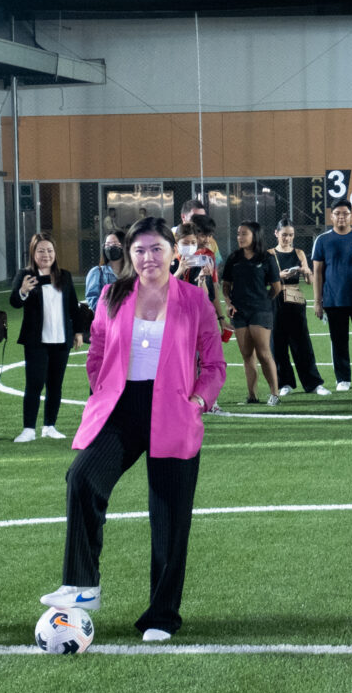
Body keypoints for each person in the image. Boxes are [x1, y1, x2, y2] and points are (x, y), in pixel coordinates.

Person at [40, 217, 227, 642]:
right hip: (121, 410)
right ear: (130, 255)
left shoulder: (194, 300)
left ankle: (162, 616)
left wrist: (198, 400)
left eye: (157, 249)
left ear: (173, 252)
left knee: (169, 517)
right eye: (139, 250)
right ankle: (82, 585)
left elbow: (215, 364)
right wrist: (100, 388)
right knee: (83, 478)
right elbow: (98, 350)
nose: (148, 258)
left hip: (174, 412)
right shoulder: (113, 294)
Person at [11, 232, 80, 442]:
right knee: (34, 383)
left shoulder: (64, 276)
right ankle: (28, 429)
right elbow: (15, 302)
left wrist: (77, 332)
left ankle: (49, 425)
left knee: (55, 384)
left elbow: (73, 306)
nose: (46, 254)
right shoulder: (25, 275)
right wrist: (23, 290)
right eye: (41, 250)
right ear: (33, 252)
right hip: (36, 340)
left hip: (61, 339)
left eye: (49, 250)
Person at [310, 203, 352, 392]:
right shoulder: (322, 240)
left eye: (345, 213)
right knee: (339, 341)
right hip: (334, 301)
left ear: (351, 215)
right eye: (337, 213)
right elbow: (318, 272)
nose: (341, 217)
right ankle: (343, 378)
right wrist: (318, 302)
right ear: (331, 216)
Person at [223, 221, 282, 405]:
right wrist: (228, 302)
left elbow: (276, 288)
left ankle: (274, 394)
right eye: (239, 234)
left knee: (264, 353)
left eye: (244, 234)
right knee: (247, 354)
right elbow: (226, 285)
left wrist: (263, 301)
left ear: (254, 236)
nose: (240, 237)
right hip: (240, 312)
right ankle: (252, 396)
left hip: (260, 310)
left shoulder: (266, 258)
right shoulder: (234, 258)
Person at [269, 221, 326, 396]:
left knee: (302, 343)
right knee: (278, 343)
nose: (288, 238)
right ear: (276, 233)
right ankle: (284, 383)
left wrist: (305, 271)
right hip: (276, 299)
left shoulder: (299, 253)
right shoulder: (269, 254)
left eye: (291, 235)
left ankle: (314, 383)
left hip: (296, 300)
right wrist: (279, 275)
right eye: (284, 234)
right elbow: (263, 278)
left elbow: (309, 281)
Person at [83, 232, 125, 301]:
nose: (111, 247)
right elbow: (92, 298)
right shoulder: (97, 272)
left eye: (115, 244)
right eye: (107, 244)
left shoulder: (132, 272)